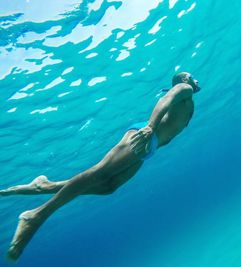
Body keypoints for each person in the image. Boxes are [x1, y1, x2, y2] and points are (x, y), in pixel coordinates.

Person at [0, 72, 201, 261]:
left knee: (108, 187)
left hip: (151, 147)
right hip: (146, 135)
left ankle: (43, 186)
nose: (196, 81)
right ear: (183, 78)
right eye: (192, 77)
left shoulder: (189, 102)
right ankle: (36, 216)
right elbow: (165, 100)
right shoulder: (184, 87)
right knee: (99, 174)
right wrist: (149, 126)